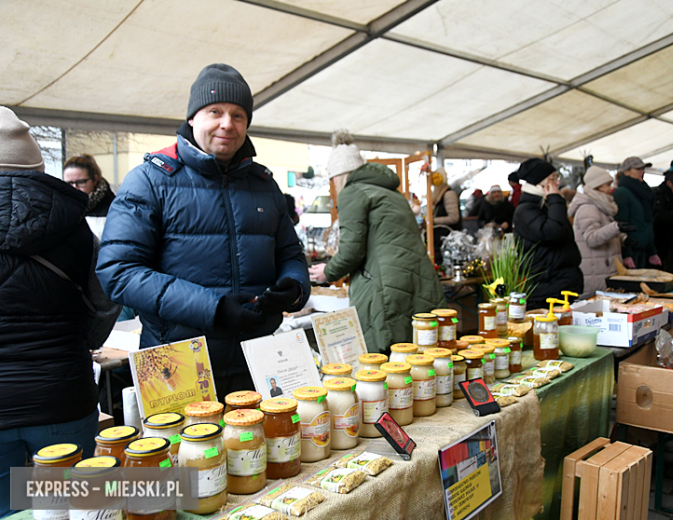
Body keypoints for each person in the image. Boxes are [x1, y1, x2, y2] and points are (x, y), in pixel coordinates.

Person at [96, 64, 310, 397]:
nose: (228, 123)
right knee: (181, 450)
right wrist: (214, 308)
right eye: (215, 111)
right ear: (193, 118)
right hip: (174, 362)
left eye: (238, 115)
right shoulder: (151, 180)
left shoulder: (264, 185)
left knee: (259, 446)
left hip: (255, 360)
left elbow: (290, 253)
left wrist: (295, 287)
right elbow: (118, 271)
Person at [0, 107, 121, 516]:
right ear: (37, 164)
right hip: (63, 393)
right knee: (78, 508)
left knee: (8, 511)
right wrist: (78, 342)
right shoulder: (76, 225)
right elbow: (104, 304)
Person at [308, 130, 446, 353]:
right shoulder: (393, 194)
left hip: (385, 288)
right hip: (418, 281)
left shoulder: (352, 192)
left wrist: (328, 271)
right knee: (420, 356)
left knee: (388, 364)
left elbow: (352, 251)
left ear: (339, 176)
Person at [513, 158, 583, 310]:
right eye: (553, 178)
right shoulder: (526, 210)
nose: (558, 183)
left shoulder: (545, 204)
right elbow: (552, 232)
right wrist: (556, 200)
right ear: (539, 183)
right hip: (547, 287)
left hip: (561, 283)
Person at [568, 166, 630, 297]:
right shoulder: (588, 208)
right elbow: (592, 238)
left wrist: (623, 238)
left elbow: (604, 232)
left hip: (603, 270)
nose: (611, 189)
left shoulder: (599, 205)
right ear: (597, 186)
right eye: (607, 185)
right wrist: (616, 227)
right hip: (596, 273)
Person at [613, 156, 660, 268]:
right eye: (638, 169)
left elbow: (647, 223)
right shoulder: (622, 193)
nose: (642, 172)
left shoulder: (643, 192)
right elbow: (620, 225)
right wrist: (627, 254)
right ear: (627, 172)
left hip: (643, 249)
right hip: (632, 251)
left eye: (642, 169)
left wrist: (652, 251)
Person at [63, 153, 116, 239]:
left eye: (80, 182)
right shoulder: (60, 210)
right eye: (68, 183)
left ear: (94, 180)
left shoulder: (113, 209)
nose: (74, 188)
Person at [430, 169, 462, 264]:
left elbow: (454, 217)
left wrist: (434, 221)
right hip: (442, 239)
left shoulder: (448, 194)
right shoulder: (442, 195)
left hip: (447, 239)